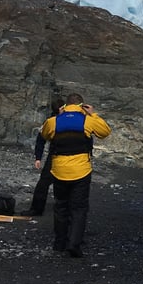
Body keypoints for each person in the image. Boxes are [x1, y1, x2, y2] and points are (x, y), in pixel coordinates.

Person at [39, 92, 111, 258]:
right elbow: (105, 132)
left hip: (59, 170)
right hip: (81, 171)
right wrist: (93, 114)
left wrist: (60, 115)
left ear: (65, 105)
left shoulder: (53, 121)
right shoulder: (88, 120)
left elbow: (45, 134)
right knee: (79, 208)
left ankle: (59, 243)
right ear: (82, 106)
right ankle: (74, 244)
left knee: (61, 206)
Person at [26, 96, 65, 216]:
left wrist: (38, 157)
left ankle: (37, 209)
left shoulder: (51, 121)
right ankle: (38, 209)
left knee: (46, 183)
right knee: (45, 183)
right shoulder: (53, 121)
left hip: (57, 155)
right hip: (58, 155)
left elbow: (40, 140)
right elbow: (41, 139)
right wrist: (38, 157)